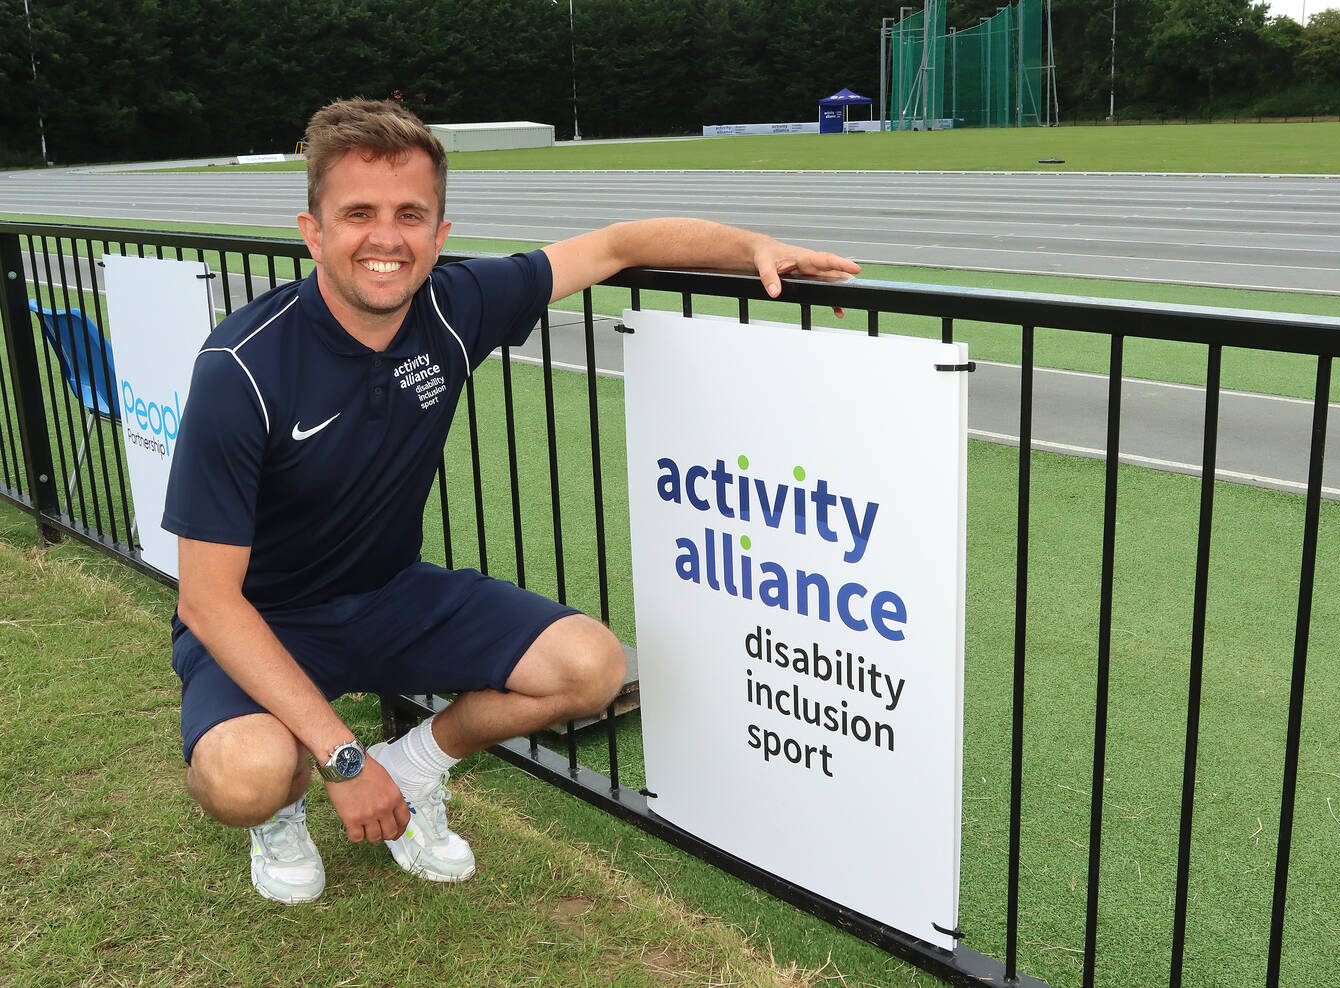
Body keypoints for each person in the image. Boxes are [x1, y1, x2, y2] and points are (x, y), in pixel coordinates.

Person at [161, 97, 860, 904]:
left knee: (590, 668)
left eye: (410, 215)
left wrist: (754, 250)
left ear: (439, 237)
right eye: (358, 213)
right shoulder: (240, 368)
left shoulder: (456, 305)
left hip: (390, 595)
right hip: (262, 618)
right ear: (313, 231)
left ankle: (413, 769)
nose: (386, 238)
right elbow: (210, 603)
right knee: (245, 775)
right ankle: (280, 814)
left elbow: (616, 245)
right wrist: (340, 759)